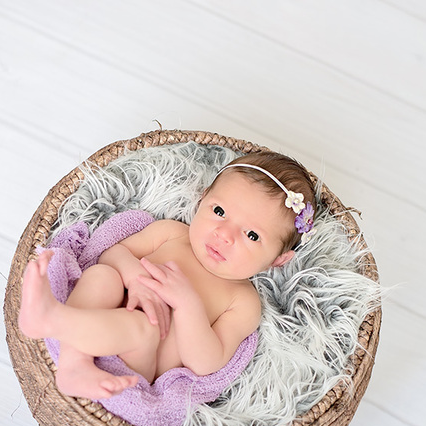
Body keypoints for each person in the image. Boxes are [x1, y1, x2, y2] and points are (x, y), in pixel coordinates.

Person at [18, 151, 317, 399]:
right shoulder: (172, 233)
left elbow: (207, 363)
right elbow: (114, 253)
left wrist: (188, 305)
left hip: (135, 359)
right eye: (219, 212)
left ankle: (51, 320)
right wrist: (134, 278)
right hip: (97, 318)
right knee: (101, 276)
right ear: (202, 200)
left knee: (144, 327)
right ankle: (74, 365)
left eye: (252, 235)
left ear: (278, 260)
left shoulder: (242, 300)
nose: (224, 234)